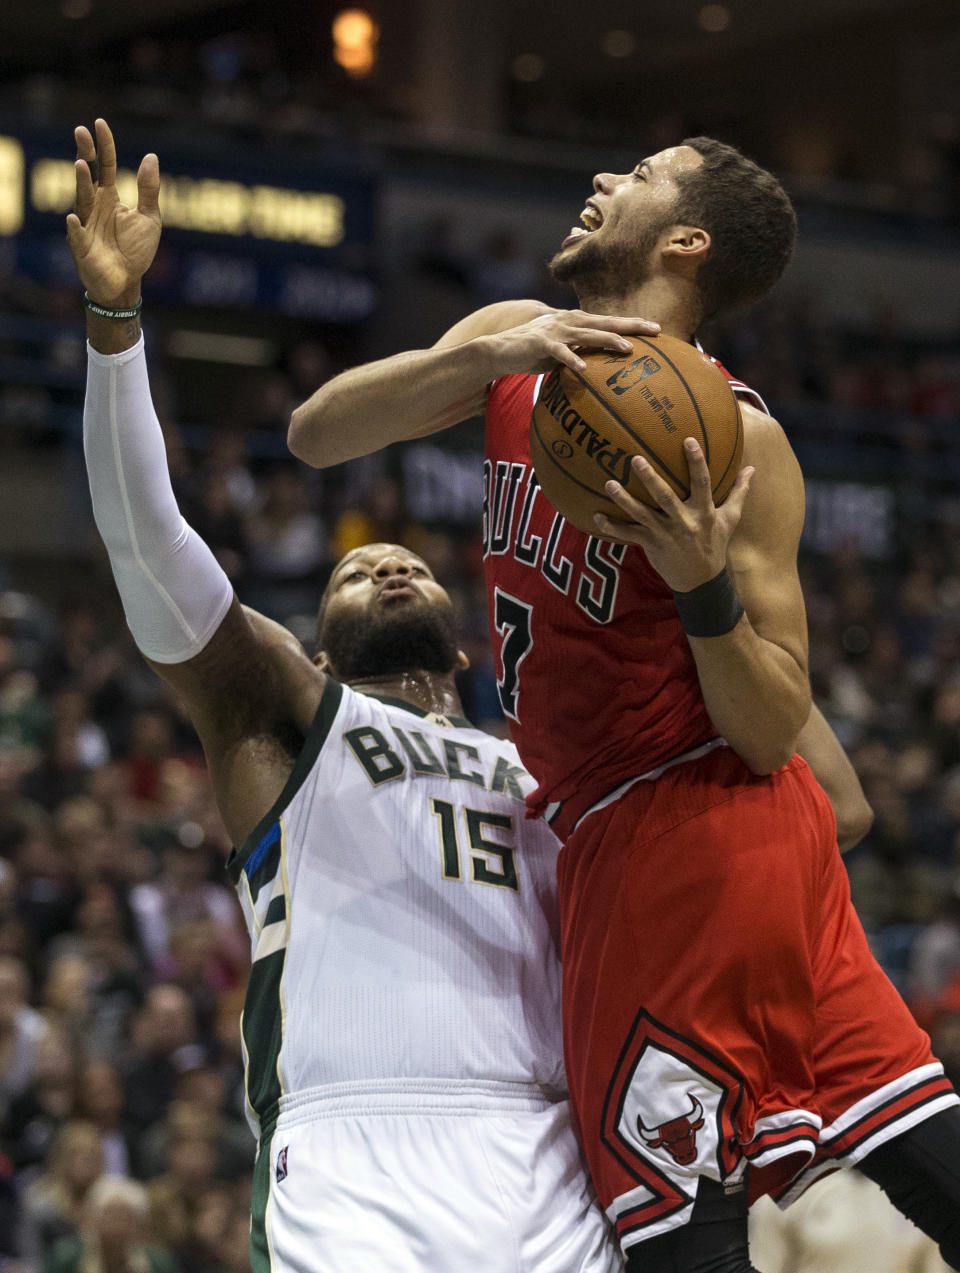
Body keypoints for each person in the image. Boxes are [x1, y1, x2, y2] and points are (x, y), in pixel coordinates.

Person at [287, 140, 960, 1270]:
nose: (602, 180)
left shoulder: (742, 439)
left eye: (640, 174)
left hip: (671, 839)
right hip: (718, 846)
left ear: (684, 242)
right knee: (929, 1155)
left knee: (673, 1238)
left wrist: (700, 587)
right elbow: (317, 432)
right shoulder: (515, 345)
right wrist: (496, 350)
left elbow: (763, 725)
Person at [65, 118, 620, 1273]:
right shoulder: (289, 718)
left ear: (465, 643)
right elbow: (146, 546)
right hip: (351, 1147)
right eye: (353, 569)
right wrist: (117, 332)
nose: (384, 563)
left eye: (405, 560)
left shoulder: (546, 767)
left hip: (544, 1149)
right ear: (314, 644)